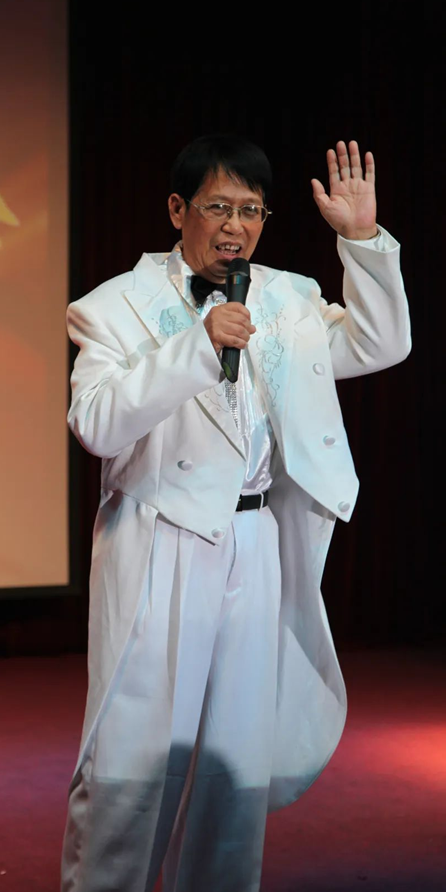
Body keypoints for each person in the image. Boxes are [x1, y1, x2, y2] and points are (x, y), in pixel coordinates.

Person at [60, 135, 411, 892]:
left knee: (235, 761)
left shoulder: (287, 298)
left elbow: (381, 344)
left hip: (254, 539)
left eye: (251, 211)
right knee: (134, 758)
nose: (235, 226)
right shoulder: (113, 306)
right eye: (218, 206)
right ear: (177, 210)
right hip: (161, 538)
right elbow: (96, 424)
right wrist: (195, 346)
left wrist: (361, 240)